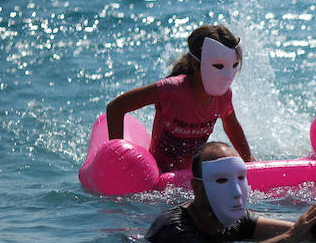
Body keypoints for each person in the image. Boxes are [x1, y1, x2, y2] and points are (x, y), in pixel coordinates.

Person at [146, 142, 316, 243]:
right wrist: (288, 239)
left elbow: (302, 231)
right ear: (197, 188)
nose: (237, 192)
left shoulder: (235, 220)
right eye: (222, 180)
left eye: (240, 179)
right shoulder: (173, 226)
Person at [106, 24, 253, 172]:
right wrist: (118, 157)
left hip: (191, 174)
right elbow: (116, 108)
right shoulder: (172, 90)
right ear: (196, 64)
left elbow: (231, 126)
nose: (228, 75)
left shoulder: (223, 96)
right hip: (159, 172)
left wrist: (249, 162)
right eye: (219, 66)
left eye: (234, 65)